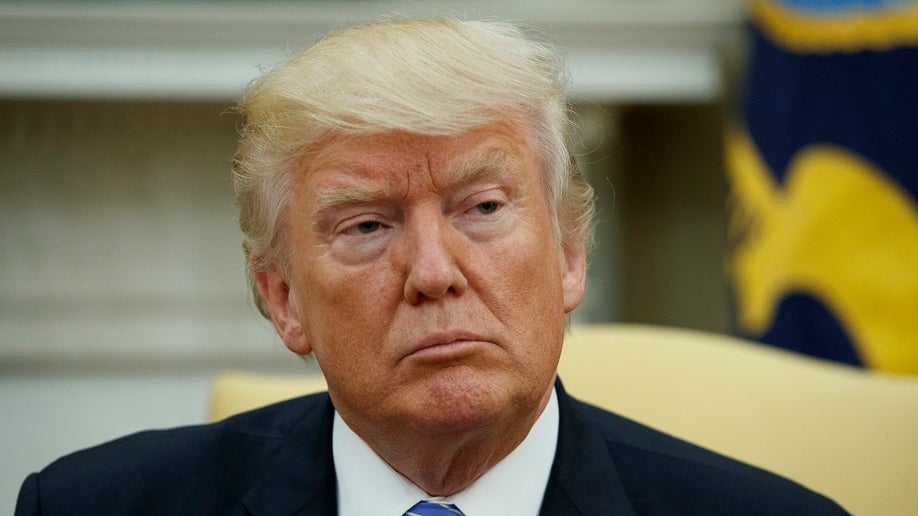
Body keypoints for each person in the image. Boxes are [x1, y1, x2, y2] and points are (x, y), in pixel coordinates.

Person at [15, 17, 847, 515]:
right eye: (368, 225)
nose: (432, 271)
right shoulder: (96, 507)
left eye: (482, 209)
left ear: (567, 254)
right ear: (281, 298)